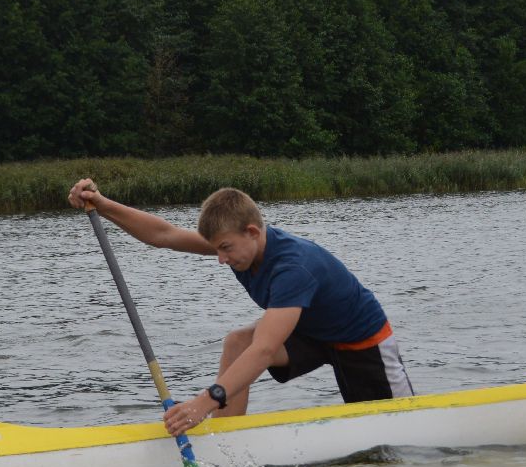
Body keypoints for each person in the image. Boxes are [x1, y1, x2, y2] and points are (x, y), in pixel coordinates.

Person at [68, 179, 412, 439]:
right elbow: (164, 235)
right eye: (216, 249)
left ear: (252, 232)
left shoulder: (294, 267)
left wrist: (204, 402)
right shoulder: (238, 243)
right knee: (238, 342)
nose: (220, 259)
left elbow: (264, 350)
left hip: (363, 343)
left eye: (225, 249)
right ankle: (225, 441)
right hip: (314, 334)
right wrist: (103, 204)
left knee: (398, 436)